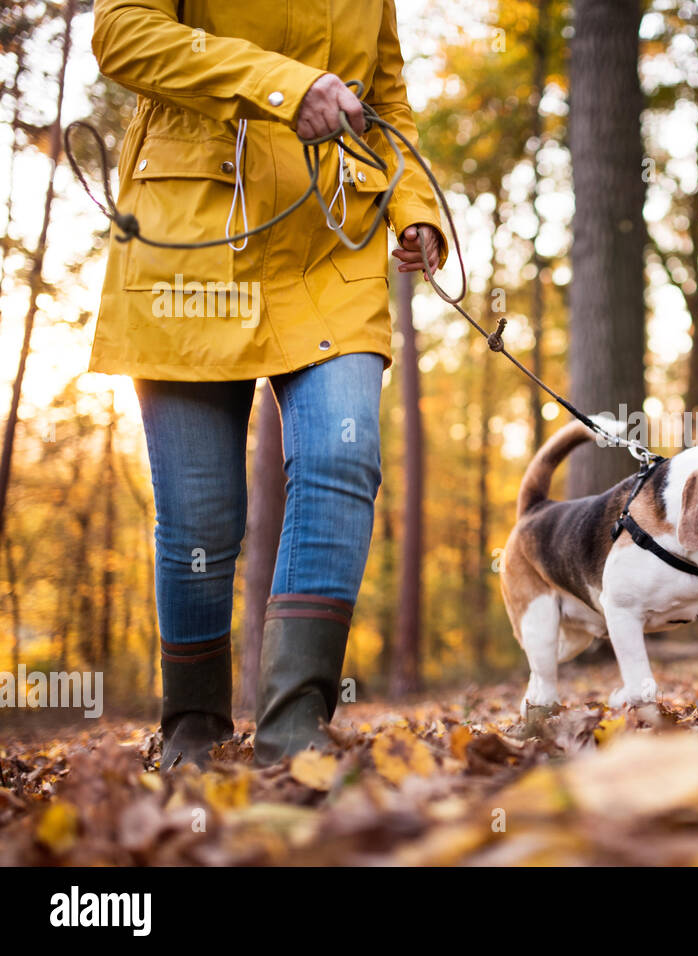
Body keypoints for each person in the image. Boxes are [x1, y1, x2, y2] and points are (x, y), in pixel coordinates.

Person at [88, 0, 446, 768]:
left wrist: (412, 206)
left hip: (330, 243)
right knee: (201, 520)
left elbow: (386, 99)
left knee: (341, 459)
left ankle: (294, 727)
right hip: (192, 236)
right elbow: (121, 35)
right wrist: (284, 86)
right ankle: (192, 724)